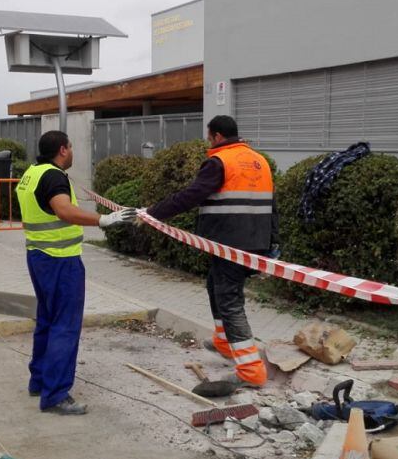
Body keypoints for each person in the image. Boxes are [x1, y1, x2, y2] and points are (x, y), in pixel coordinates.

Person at [146, 115, 277, 387]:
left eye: (209, 137)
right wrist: (271, 245)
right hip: (254, 240)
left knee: (230, 301)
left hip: (229, 242)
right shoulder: (259, 160)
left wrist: (153, 213)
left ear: (217, 136)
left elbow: (192, 195)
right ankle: (224, 342)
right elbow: (272, 206)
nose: (209, 142)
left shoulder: (220, 161)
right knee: (213, 285)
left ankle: (251, 371)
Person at [16, 131, 135, 415]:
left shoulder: (31, 173)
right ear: (62, 150)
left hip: (38, 257)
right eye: (71, 146)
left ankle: (40, 381)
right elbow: (64, 211)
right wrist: (104, 219)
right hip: (61, 261)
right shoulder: (54, 177)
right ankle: (55, 394)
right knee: (65, 326)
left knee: (47, 320)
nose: (72, 151)